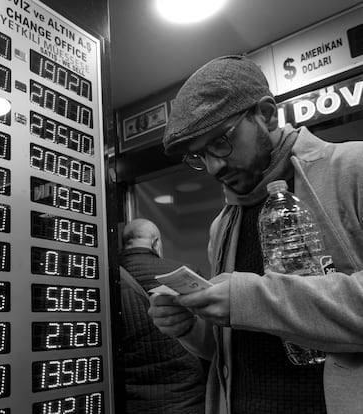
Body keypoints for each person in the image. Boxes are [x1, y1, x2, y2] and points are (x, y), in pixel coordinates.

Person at [148, 55, 363, 414]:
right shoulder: (223, 224)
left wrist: (247, 299)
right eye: (198, 156)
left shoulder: (353, 169)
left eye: (220, 142)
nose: (214, 167)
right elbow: (235, 349)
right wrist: (190, 327)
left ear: (266, 114)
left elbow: (252, 304)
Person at [119, 218, 206, 414]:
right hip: (186, 398)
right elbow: (209, 334)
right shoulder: (186, 275)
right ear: (155, 242)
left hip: (131, 401)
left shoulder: (106, 279)